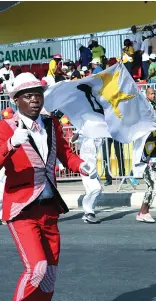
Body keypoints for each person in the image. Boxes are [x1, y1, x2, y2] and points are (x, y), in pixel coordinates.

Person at [0, 72, 95, 300]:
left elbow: (65, 153)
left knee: (50, 274)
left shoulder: (51, 123)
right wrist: (11, 143)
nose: (35, 100)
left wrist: (81, 165)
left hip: (49, 209)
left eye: (38, 95)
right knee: (37, 269)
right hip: (22, 209)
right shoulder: (5, 128)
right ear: (16, 100)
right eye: (28, 96)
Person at [136, 90, 156, 223]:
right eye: (151, 94)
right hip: (149, 155)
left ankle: (143, 211)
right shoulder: (145, 114)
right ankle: (144, 212)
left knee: (154, 185)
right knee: (153, 186)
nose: (153, 96)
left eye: (154, 94)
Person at [71, 131, 102, 224]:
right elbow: (72, 140)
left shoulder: (98, 136)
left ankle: (89, 213)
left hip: (94, 168)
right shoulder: (82, 135)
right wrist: (78, 132)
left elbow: (98, 144)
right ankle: (88, 212)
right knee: (97, 189)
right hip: (85, 167)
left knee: (92, 191)